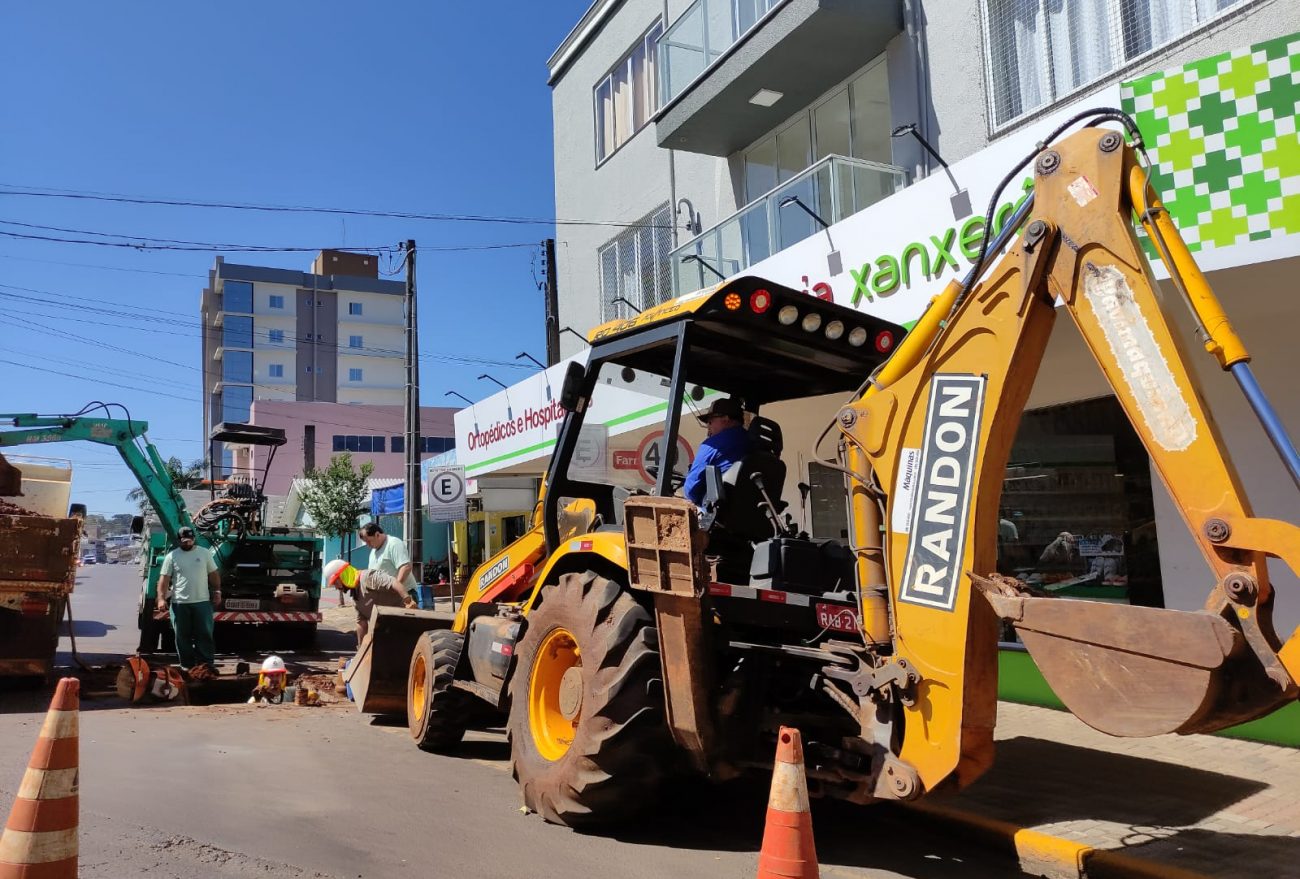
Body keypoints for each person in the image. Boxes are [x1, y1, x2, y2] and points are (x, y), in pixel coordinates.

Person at [155, 526, 221, 673]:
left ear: (194, 539)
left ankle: (206, 664)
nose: (187, 543)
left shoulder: (204, 554)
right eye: (184, 541)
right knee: (182, 636)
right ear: (179, 541)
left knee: (204, 634)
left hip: (202, 602)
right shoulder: (172, 557)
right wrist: (161, 599)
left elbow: (213, 574)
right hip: (180, 604)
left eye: (190, 540)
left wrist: (217, 591)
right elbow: (164, 580)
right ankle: (187, 666)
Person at [323, 559, 417, 649]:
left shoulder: (368, 577)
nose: (336, 587)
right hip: (388, 627)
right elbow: (361, 623)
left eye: (335, 582)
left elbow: (394, 582)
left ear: (343, 575)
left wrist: (407, 600)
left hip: (404, 618)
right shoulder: (356, 598)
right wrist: (361, 648)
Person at [683, 398, 751, 506]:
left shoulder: (712, 444)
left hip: (718, 512)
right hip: (747, 508)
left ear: (725, 419)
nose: (708, 427)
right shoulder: (752, 442)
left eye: (710, 422)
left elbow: (691, 489)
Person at [357, 522, 420, 604]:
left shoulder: (393, 544)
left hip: (404, 595)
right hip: (386, 598)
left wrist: (396, 587)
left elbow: (406, 567)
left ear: (377, 534)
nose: (368, 545)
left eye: (369, 541)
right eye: (366, 542)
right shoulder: (373, 552)